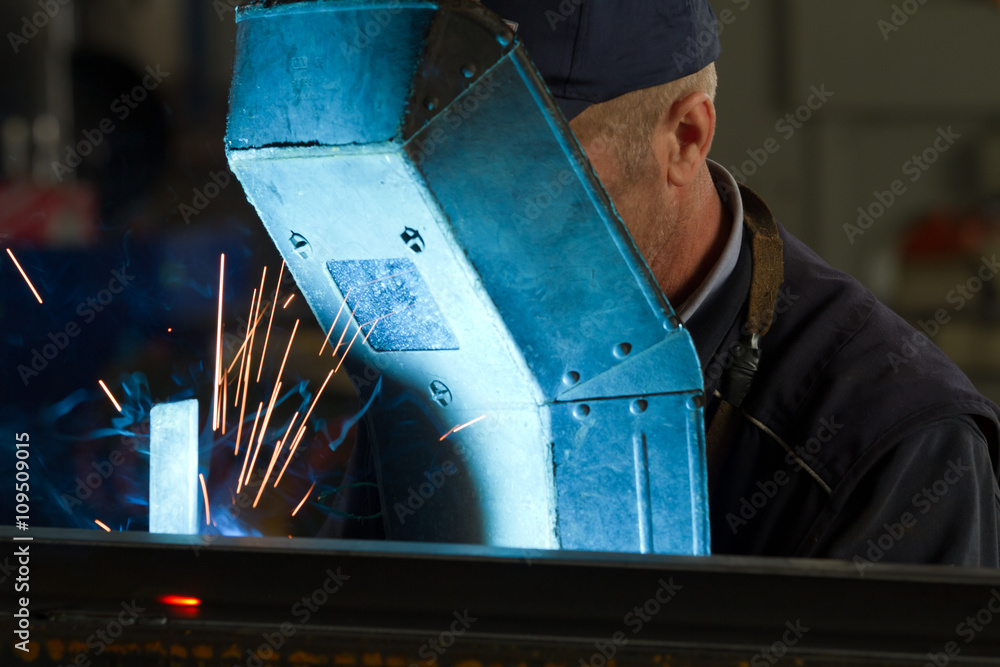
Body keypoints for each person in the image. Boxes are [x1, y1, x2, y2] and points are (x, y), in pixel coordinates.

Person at [483, 0, 1000, 567]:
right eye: (449, 154)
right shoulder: (441, 345)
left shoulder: (894, 451)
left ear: (686, 136)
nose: (482, 221)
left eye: (537, 168)